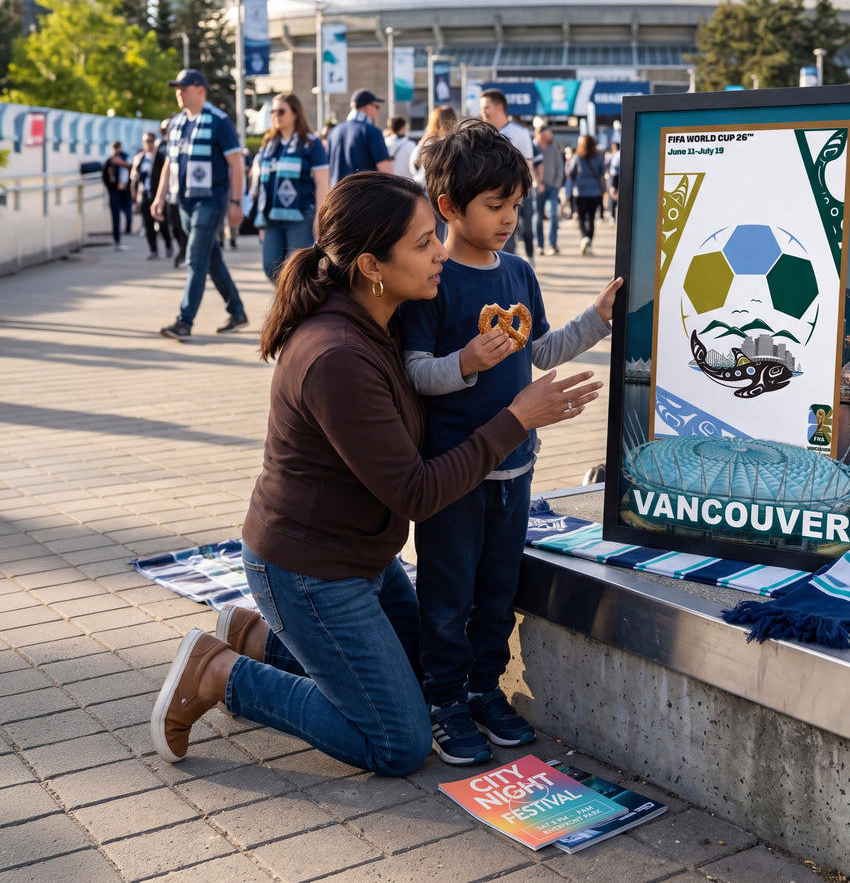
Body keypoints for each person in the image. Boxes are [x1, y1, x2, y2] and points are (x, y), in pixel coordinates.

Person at [148, 172, 601, 773]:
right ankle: (219, 672)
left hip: (364, 560)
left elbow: (507, 358)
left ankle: (256, 638)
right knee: (398, 741)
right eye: (422, 243)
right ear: (371, 266)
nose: (442, 251)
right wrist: (517, 417)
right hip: (310, 571)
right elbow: (417, 492)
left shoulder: (384, 321)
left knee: (427, 676)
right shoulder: (338, 354)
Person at [397, 120, 622, 765]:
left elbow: (538, 352)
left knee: (499, 588)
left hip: (516, 468)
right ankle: (442, 698)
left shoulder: (519, 273)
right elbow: (415, 372)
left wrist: (597, 320)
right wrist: (464, 360)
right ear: (448, 207)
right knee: (447, 592)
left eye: (516, 205)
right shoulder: (433, 278)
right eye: (495, 206)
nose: (508, 218)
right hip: (453, 476)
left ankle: (483, 687)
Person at [151, 69, 249, 339]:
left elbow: (236, 165)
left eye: (184, 88)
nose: (178, 93)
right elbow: (169, 164)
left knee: (195, 259)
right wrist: (159, 197)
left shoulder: (219, 122)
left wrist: (236, 202)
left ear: (200, 90)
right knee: (211, 258)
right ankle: (237, 311)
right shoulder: (176, 124)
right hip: (184, 203)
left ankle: (184, 322)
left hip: (211, 202)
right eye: (177, 88)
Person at [254, 93, 330, 283]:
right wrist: (260, 218)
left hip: (301, 216)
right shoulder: (269, 144)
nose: (276, 115)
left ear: (295, 113)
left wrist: (320, 218)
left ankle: (300, 310)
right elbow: (263, 185)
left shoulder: (311, 144)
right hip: (271, 217)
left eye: (281, 111)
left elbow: (322, 182)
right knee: (270, 266)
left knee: (299, 271)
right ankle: (290, 303)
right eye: (273, 111)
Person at [479, 90, 534, 261]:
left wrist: (520, 193)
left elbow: (527, 165)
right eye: (482, 108)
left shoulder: (519, 133)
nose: (483, 112)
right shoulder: (481, 134)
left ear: (499, 107)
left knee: (522, 229)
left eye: (486, 107)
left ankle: (525, 258)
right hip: (490, 196)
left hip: (515, 194)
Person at [411, 105, 458, 244]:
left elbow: (414, 169)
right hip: (443, 197)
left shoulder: (422, 143)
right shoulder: (451, 145)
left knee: (427, 240)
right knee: (443, 239)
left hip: (422, 196)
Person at [326, 90, 392, 184]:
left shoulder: (333, 132)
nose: (377, 111)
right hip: (364, 195)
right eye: (377, 107)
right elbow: (386, 172)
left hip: (337, 194)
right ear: (368, 107)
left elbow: (326, 169)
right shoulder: (372, 131)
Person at [154, 117, 187, 266]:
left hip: (186, 194)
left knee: (186, 228)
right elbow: (160, 170)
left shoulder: (184, 142)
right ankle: (183, 251)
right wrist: (159, 196)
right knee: (175, 227)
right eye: (164, 130)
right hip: (171, 194)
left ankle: (184, 254)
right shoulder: (161, 146)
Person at [566, 134, 606, 255]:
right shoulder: (599, 157)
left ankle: (584, 237)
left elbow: (571, 173)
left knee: (581, 218)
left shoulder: (577, 157)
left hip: (580, 192)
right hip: (595, 192)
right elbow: (601, 173)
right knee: (592, 218)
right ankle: (589, 239)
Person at [131, 132, 167, 260]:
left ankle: (168, 245)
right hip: (144, 195)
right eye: (146, 141)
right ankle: (153, 250)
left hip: (158, 194)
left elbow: (165, 176)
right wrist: (134, 192)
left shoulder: (160, 157)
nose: (148, 144)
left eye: (151, 141)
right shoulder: (139, 158)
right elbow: (134, 177)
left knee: (163, 224)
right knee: (148, 224)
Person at [532, 124, 564, 255]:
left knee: (552, 214)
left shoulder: (554, 148)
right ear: (541, 133)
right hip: (536, 187)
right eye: (548, 132)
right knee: (538, 216)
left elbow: (559, 167)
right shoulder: (532, 146)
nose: (551, 134)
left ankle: (553, 244)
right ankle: (540, 245)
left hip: (552, 187)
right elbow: (528, 165)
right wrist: (536, 182)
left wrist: (557, 184)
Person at [101, 142, 132, 251]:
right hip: (114, 192)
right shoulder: (110, 161)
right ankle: (117, 240)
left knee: (128, 213)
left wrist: (121, 163)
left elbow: (133, 168)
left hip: (126, 192)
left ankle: (128, 228)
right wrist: (111, 187)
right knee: (115, 216)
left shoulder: (126, 156)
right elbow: (104, 175)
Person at [606, 140, 622, 222]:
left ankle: (613, 215)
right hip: (617, 176)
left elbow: (614, 168)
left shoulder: (616, 155)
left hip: (615, 176)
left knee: (612, 195)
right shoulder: (616, 154)